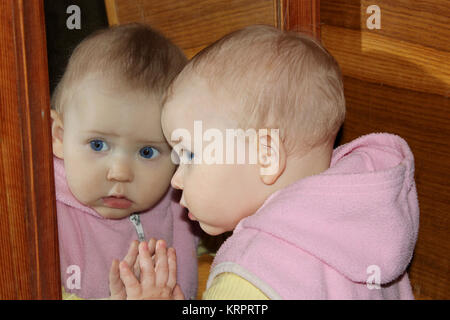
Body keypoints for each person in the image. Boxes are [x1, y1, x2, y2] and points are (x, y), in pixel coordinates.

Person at [113, 25, 419, 299]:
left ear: (266, 156)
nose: (176, 180)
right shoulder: (365, 232)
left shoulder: (253, 271)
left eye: (190, 154)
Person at [50, 23, 199, 300]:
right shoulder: (39, 213)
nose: (119, 173)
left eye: (147, 152)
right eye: (98, 145)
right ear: (59, 136)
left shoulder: (183, 203)